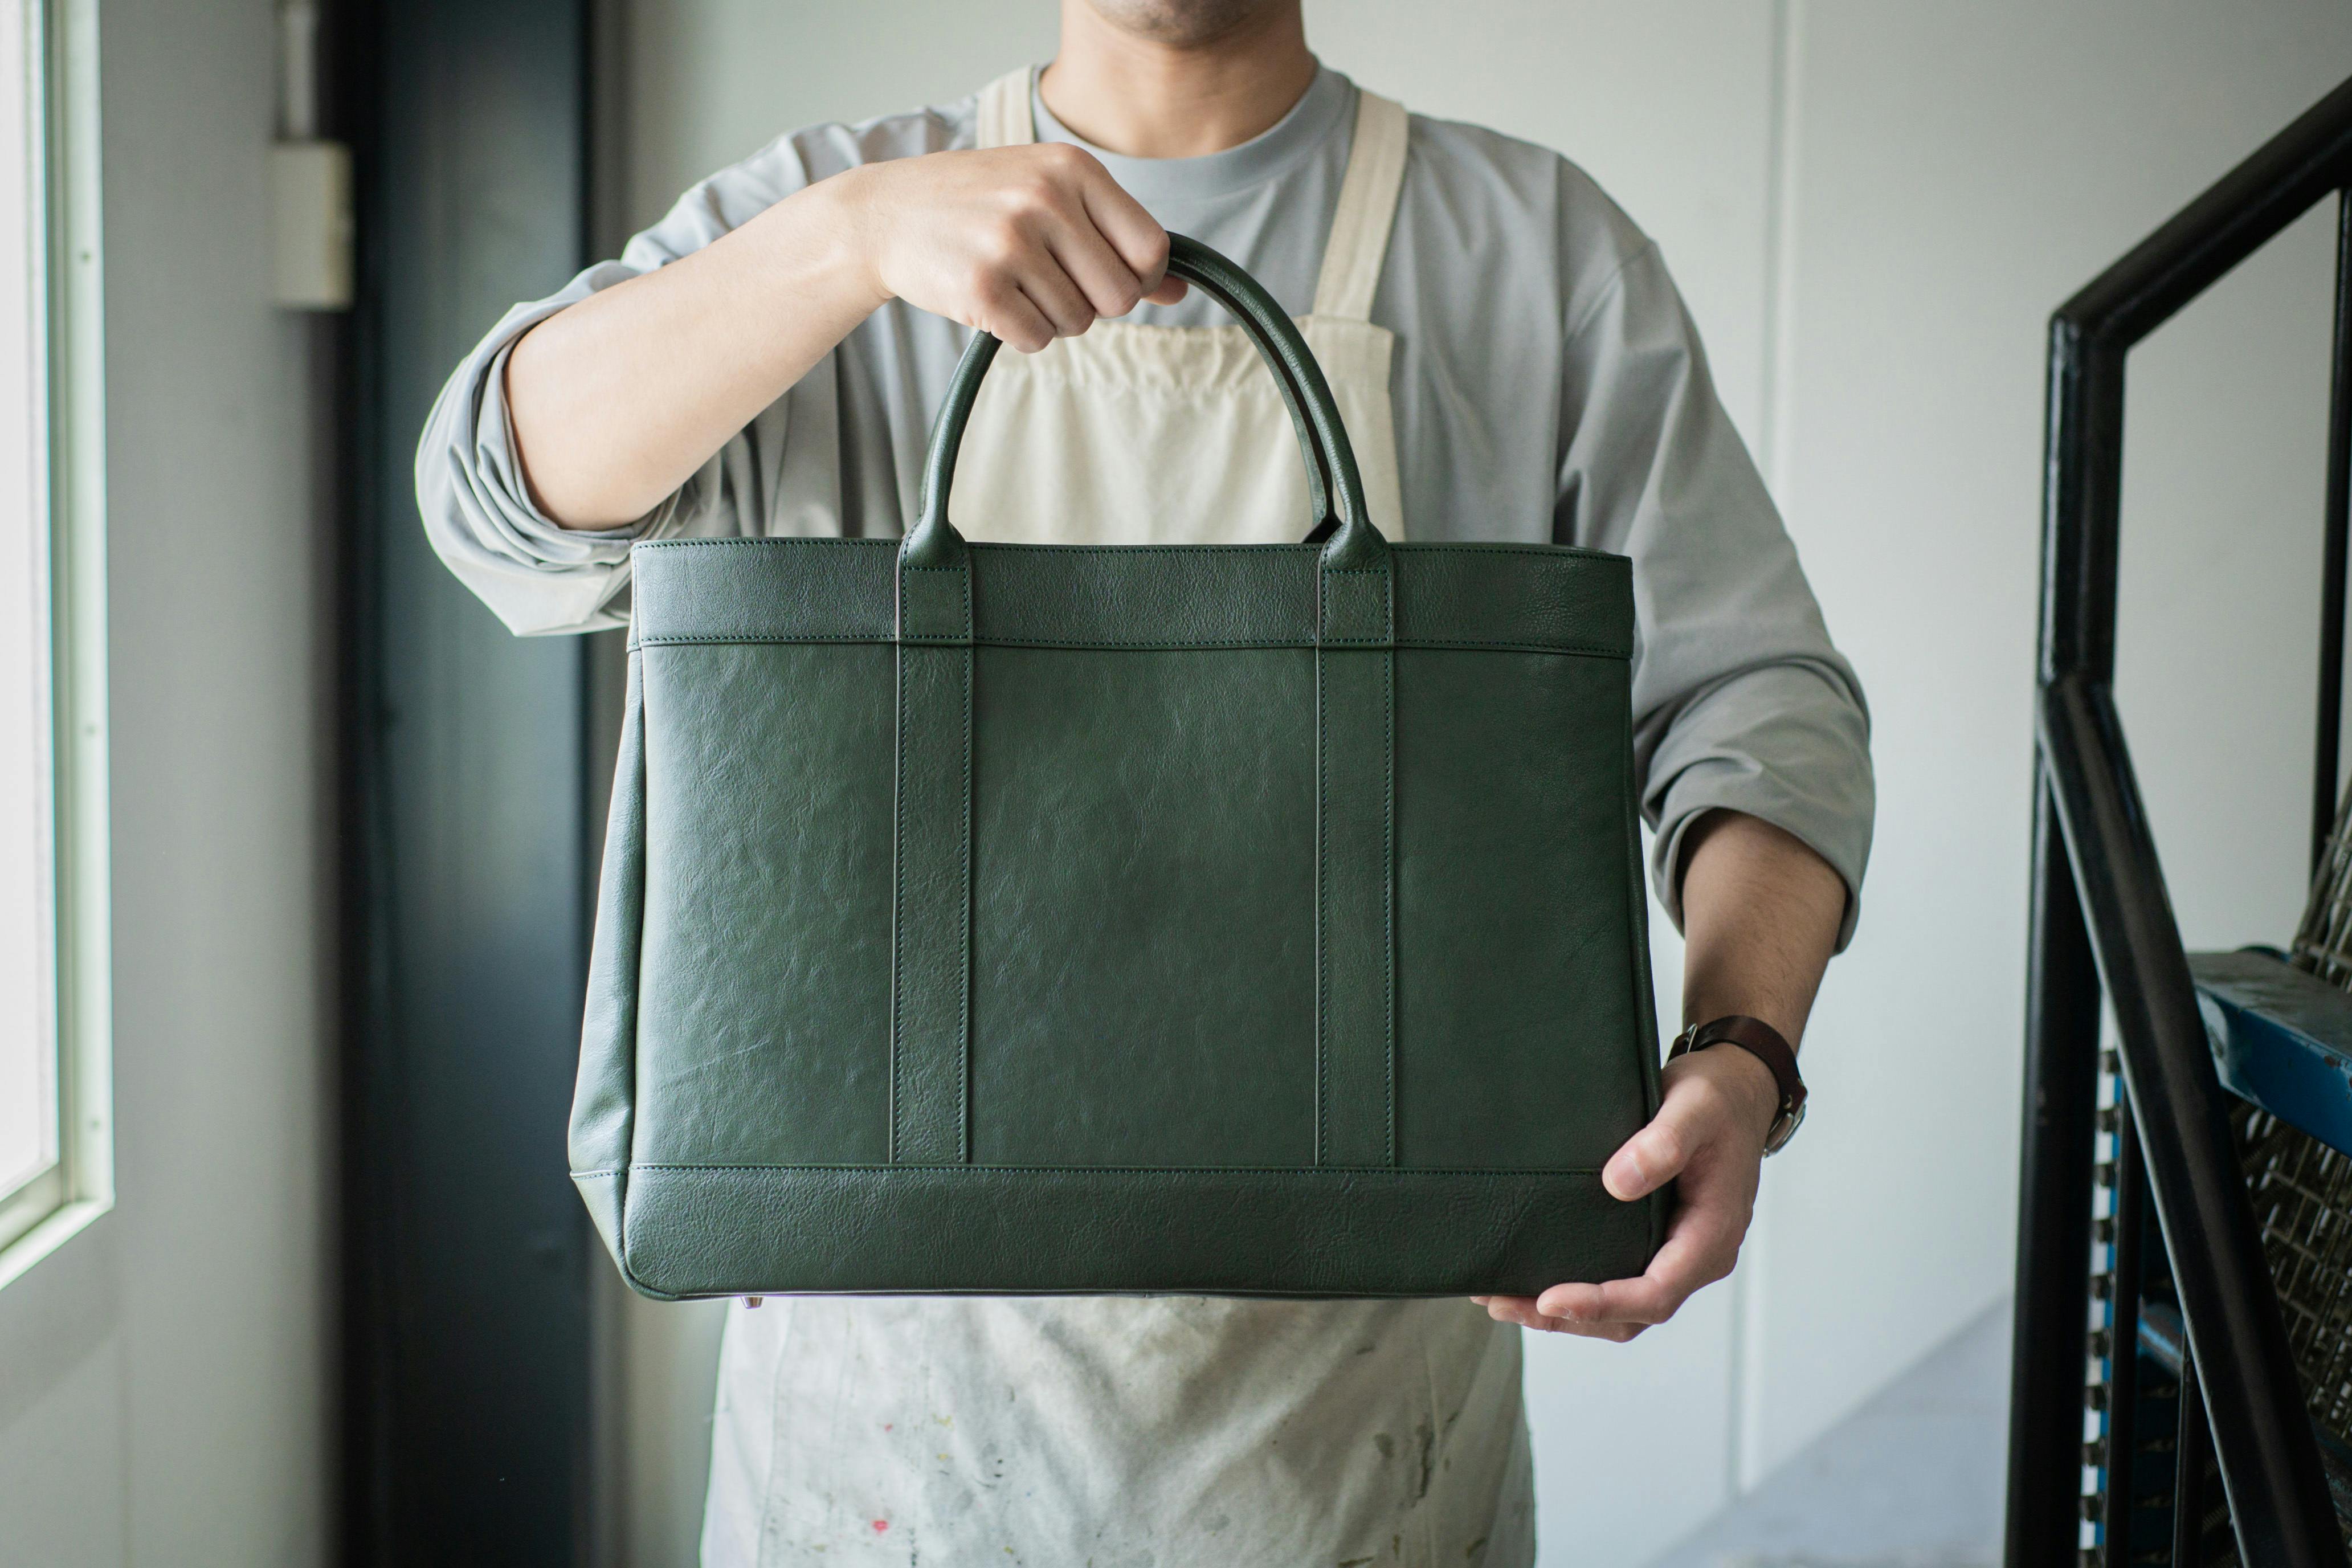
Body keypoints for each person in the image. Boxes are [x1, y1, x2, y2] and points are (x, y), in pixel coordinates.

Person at [419, 0, 1873, 1561]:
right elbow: (493, 507)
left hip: (1356, 1469)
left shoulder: (1536, 254)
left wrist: (1741, 1049)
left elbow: (1754, 699)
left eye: (840, 234)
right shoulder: (825, 210)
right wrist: (843, 245)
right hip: (878, 1470)